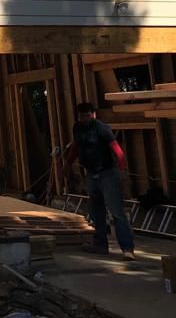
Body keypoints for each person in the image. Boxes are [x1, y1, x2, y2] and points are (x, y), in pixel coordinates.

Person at [63, 102, 136, 260]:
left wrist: (122, 170)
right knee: (97, 211)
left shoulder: (102, 128)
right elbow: (76, 146)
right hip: (91, 173)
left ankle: (127, 248)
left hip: (107, 173)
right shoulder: (78, 128)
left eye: (88, 116)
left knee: (116, 211)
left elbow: (116, 148)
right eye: (82, 116)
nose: (85, 119)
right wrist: (68, 163)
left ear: (93, 115)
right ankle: (101, 245)